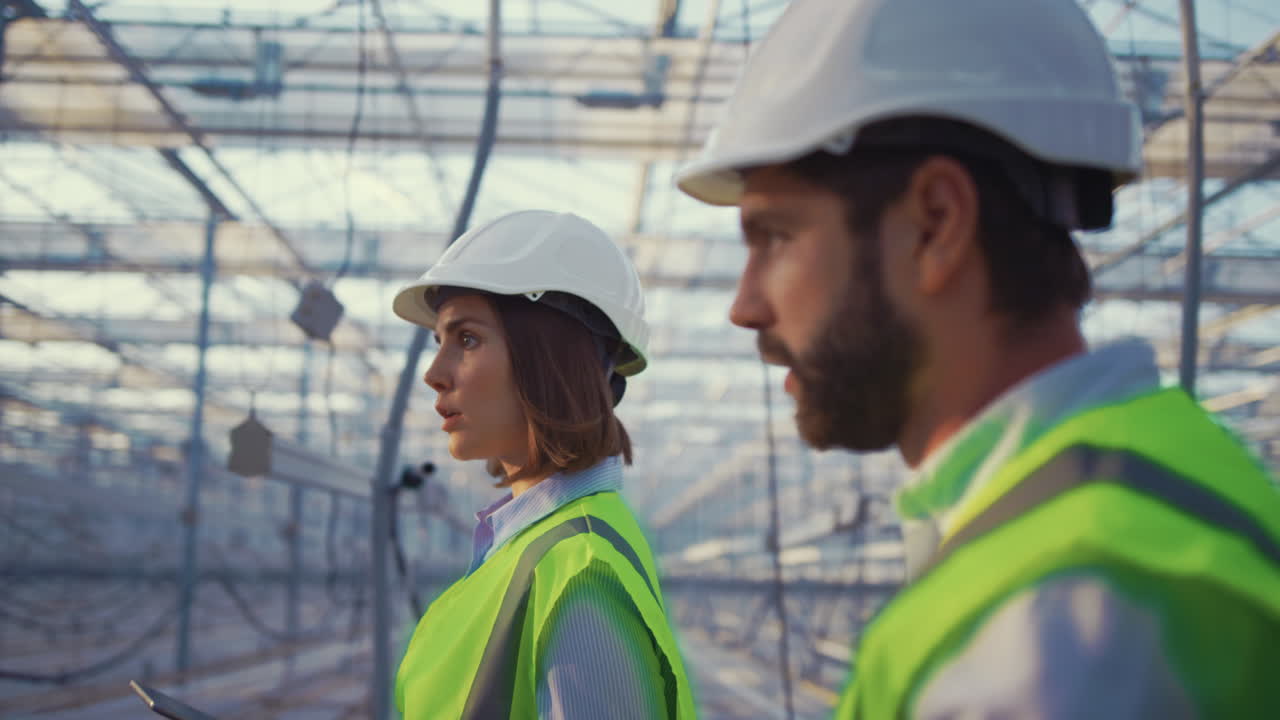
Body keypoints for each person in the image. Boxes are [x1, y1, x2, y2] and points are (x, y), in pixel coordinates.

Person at [675, 0, 1280, 717]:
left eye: (774, 236)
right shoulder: (1149, 484)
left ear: (936, 224)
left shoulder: (1050, 635)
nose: (744, 306)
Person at [389, 210, 696, 719]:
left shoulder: (579, 572)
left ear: (549, 356)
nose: (434, 374)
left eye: (466, 340)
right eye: (438, 342)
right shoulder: (527, 550)